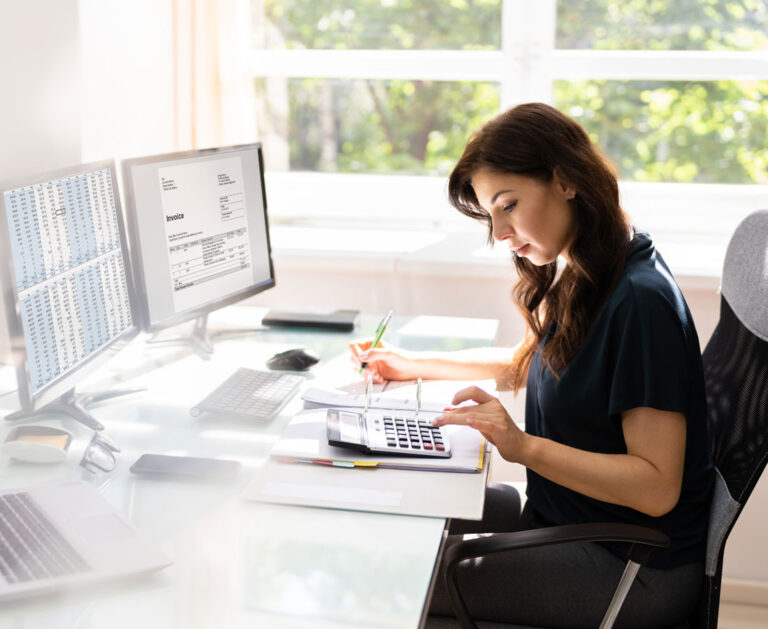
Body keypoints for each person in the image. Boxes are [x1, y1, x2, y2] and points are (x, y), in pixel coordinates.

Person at [349, 103, 714, 628]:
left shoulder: (639, 303)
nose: (499, 232)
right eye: (490, 215)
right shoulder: (592, 260)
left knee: (400, 583)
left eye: (509, 205)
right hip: (570, 520)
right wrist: (413, 365)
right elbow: (536, 362)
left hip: (628, 566)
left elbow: (656, 488)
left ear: (566, 180)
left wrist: (520, 445)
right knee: (400, 519)